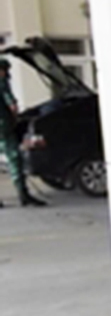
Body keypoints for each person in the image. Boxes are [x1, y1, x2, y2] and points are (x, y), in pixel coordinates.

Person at [0, 58, 47, 208]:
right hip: (3, 126)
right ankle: (23, 195)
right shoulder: (2, 81)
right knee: (14, 158)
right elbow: (12, 103)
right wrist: (15, 115)